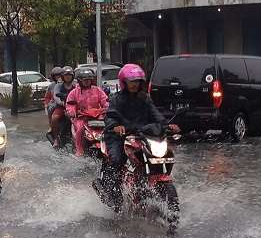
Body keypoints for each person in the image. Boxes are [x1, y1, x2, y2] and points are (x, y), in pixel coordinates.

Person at [101, 64, 178, 203]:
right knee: (117, 159)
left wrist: (167, 126)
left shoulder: (145, 98)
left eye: (138, 81)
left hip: (141, 135)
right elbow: (110, 115)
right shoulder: (116, 99)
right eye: (132, 81)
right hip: (119, 136)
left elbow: (156, 115)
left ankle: (149, 181)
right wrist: (116, 126)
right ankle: (112, 193)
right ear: (124, 82)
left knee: (163, 155)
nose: (135, 84)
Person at [67, 67, 110, 157]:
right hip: (81, 117)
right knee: (80, 129)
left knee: (109, 126)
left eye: (89, 80)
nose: (87, 82)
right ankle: (79, 149)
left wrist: (108, 107)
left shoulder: (97, 90)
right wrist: (72, 111)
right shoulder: (74, 92)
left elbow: (105, 101)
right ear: (79, 81)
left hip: (97, 115)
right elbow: (70, 104)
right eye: (85, 80)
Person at [45, 66, 76, 146]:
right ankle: (56, 139)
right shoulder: (58, 86)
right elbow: (55, 96)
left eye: (69, 75)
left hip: (74, 108)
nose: (68, 77)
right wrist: (62, 103)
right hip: (61, 107)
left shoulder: (76, 85)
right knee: (54, 118)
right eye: (66, 75)